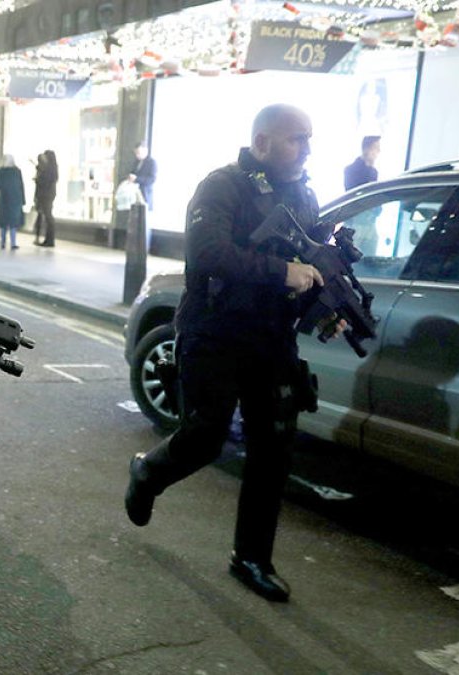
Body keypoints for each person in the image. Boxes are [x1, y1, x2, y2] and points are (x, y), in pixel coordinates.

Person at [124, 104, 344, 603]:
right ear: (263, 143)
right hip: (215, 331)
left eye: (309, 139)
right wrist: (279, 272)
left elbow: (307, 266)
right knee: (205, 436)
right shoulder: (221, 185)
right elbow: (206, 253)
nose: (306, 148)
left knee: (274, 447)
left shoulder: (305, 193)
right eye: (296, 139)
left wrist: (322, 308)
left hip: (272, 339)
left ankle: (251, 558)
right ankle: (148, 472)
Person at [0, 156, 25, 250]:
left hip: (4, 199)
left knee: (3, 222)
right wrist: (23, 201)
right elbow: (21, 186)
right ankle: (13, 243)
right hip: (15, 200)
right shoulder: (17, 171)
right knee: (13, 223)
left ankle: (3, 242)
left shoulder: (0, 171)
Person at [33, 150, 58, 246]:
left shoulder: (49, 170)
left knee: (48, 217)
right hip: (48, 195)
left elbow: (44, 182)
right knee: (47, 216)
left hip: (46, 195)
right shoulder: (52, 169)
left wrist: (37, 180)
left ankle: (49, 240)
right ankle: (47, 239)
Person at [129, 143, 157, 210]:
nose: (137, 155)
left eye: (139, 153)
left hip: (145, 193)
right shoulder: (137, 162)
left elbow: (152, 179)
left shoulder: (152, 162)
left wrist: (137, 179)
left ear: (145, 151)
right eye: (136, 153)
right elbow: (133, 172)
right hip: (134, 192)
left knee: (143, 215)